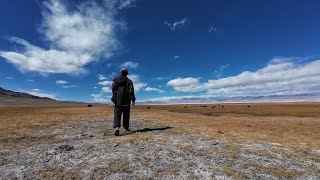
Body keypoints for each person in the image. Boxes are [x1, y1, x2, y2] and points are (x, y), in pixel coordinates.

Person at [111, 68, 136, 136]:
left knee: (117, 115)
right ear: (127, 73)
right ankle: (126, 127)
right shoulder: (129, 81)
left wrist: (115, 96)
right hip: (126, 101)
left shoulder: (116, 80)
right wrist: (133, 100)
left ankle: (117, 128)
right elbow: (131, 91)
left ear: (121, 73)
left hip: (117, 101)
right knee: (126, 115)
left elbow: (113, 89)